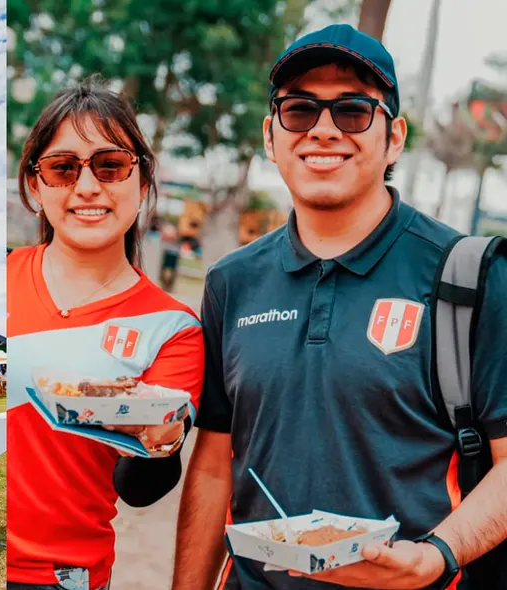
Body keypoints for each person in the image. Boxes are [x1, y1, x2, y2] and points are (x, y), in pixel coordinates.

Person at [173, 24, 507, 590]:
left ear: (394, 137)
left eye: (353, 112)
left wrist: (436, 556)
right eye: (299, 111)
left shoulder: (470, 275)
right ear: (271, 136)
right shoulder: (232, 282)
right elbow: (211, 467)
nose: (323, 130)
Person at [7, 79, 204, 590]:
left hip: (63, 578)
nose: (88, 186)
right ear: (35, 186)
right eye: (63, 168)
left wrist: (160, 444)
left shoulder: (173, 329)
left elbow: (139, 490)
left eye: (110, 166)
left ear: (141, 185)